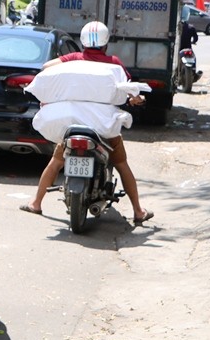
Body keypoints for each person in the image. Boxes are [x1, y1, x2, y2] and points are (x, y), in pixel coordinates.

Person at [21, 21, 154, 226]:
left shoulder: (74, 59)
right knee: (121, 164)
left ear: (82, 42)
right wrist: (135, 99)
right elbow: (126, 90)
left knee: (57, 162)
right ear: (106, 43)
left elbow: (47, 68)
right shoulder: (113, 63)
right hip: (104, 128)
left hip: (73, 125)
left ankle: (36, 203)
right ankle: (138, 210)